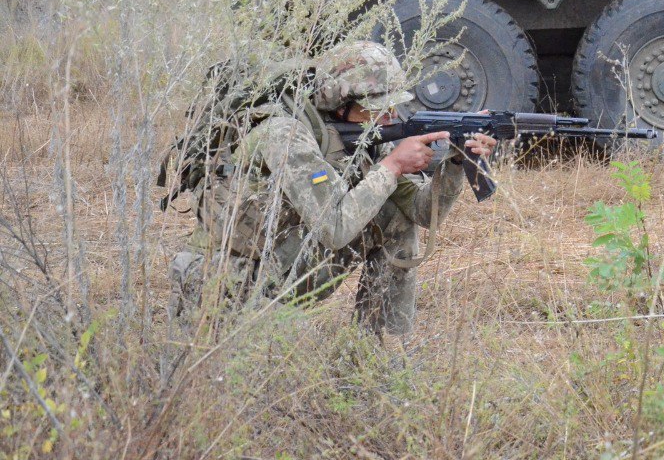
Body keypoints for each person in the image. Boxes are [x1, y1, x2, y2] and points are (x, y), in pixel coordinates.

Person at [169, 40, 497, 335]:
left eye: (391, 105)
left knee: (395, 219)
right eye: (377, 104)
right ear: (339, 100)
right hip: (231, 282)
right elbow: (335, 229)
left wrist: (456, 162)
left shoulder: (365, 131)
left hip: (281, 263)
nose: (389, 115)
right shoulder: (285, 133)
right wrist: (392, 166)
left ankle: (379, 345)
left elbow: (422, 212)